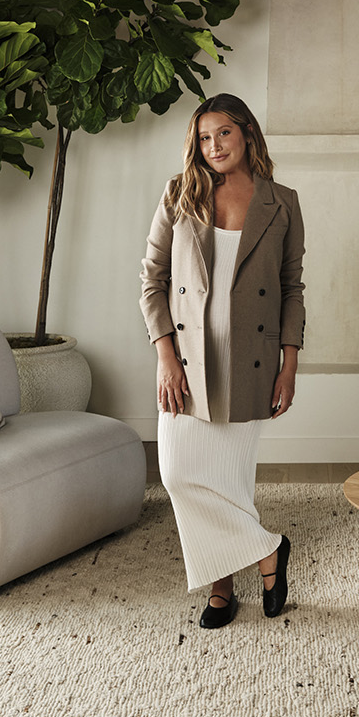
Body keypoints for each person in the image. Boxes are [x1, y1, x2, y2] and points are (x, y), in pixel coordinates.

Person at [140, 93, 305, 628]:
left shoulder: (283, 202)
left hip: (252, 363)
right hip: (188, 361)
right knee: (178, 472)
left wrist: (289, 364)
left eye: (224, 135)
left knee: (228, 481)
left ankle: (220, 590)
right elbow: (152, 282)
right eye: (205, 138)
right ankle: (268, 552)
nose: (214, 147)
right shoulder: (178, 195)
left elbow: (291, 289)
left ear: (247, 134)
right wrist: (166, 356)